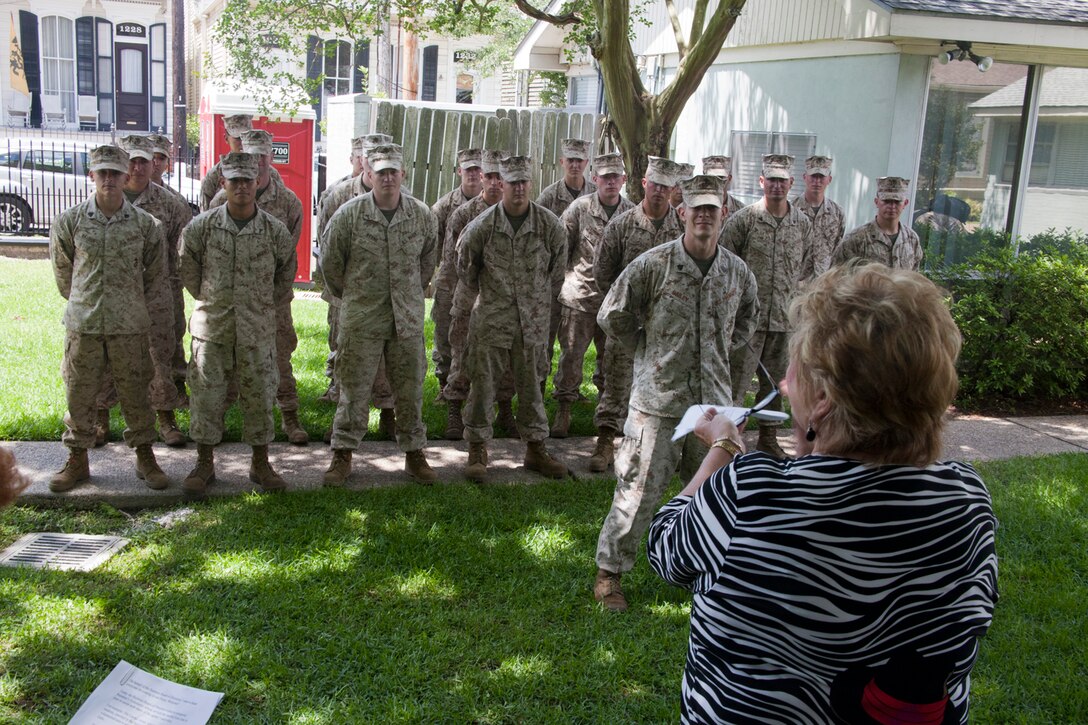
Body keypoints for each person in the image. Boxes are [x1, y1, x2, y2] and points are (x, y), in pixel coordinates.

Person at [646, 263, 997, 724]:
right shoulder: (967, 502)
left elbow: (665, 545)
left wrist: (724, 447)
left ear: (825, 399)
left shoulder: (749, 494)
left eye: (796, 371)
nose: (786, 384)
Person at [593, 175, 759, 612]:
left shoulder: (737, 272)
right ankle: (610, 575)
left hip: (712, 408)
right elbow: (613, 314)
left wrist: (717, 354)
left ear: (724, 214)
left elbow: (746, 323)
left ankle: (713, 569)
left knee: (718, 493)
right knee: (638, 491)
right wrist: (648, 351)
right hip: (659, 403)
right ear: (680, 212)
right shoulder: (654, 264)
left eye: (713, 209)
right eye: (696, 208)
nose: (704, 216)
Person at [49, 145, 172, 493]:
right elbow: (63, 272)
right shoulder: (70, 220)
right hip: (84, 323)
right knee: (79, 393)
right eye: (102, 172)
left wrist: (129, 304)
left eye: (115, 173)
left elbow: (154, 275)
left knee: (136, 392)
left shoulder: (146, 225)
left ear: (126, 176)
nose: (108, 179)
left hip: (129, 325)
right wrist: (84, 301)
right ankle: (77, 460)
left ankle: (145, 456)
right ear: (91, 176)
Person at [179, 152, 296, 496]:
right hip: (212, 329)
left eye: (248, 180)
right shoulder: (201, 227)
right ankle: (204, 464)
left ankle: (261, 463)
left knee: (260, 396)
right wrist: (212, 301)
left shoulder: (274, 231)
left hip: (257, 328)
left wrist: (257, 306)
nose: (242, 187)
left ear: (258, 183)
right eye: (235, 181)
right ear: (223, 184)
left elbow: (284, 276)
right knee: (206, 396)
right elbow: (189, 271)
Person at [322, 143, 439, 486]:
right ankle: (342, 454)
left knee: (410, 390)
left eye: (394, 171)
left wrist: (407, 296)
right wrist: (356, 297)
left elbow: (426, 265)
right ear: (368, 175)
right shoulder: (349, 215)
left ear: (403, 174)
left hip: (406, 319)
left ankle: (414, 453)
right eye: (381, 172)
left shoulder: (422, 216)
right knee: (353, 390)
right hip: (362, 318)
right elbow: (331, 266)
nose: (388, 178)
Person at [457, 155, 569, 482]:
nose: (518, 188)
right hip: (491, 320)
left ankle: (536, 449)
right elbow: (466, 270)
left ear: (530, 185)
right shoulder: (481, 227)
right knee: (483, 386)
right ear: (500, 184)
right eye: (512, 182)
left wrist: (533, 300)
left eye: (524, 182)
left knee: (533, 387)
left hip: (533, 323)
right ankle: (478, 449)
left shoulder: (550, 226)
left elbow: (557, 273)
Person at [93, 134, 193, 449]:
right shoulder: (100, 204)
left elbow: (185, 252)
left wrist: (171, 290)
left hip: (157, 296)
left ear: (154, 165)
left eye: (144, 161)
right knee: (103, 358)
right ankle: (100, 420)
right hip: (109, 296)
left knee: (159, 358)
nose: (137, 167)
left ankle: (166, 420)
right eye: (132, 161)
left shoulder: (171, 205)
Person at [209, 129, 308, 445]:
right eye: (252, 155)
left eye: (264, 155)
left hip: (272, 300)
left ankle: (289, 417)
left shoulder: (289, 202)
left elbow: (287, 256)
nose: (259, 161)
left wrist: (273, 294)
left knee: (279, 358)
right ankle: (218, 420)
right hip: (230, 300)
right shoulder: (220, 201)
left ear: (270, 157)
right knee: (227, 361)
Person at [589, 155, 685, 472]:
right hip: (628, 323)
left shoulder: (682, 228)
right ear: (644, 184)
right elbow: (603, 272)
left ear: (674, 190)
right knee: (616, 382)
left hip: (667, 325)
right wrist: (623, 310)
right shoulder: (622, 226)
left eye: (666, 186)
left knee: (663, 386)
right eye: (654, 184)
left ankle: (651, 448)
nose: (659, 191)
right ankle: (605, 442)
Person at [721, 153, 812, 459]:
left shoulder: (802, 224)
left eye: (781, 181)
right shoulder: (742, 221)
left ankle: (768, 439)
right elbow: (726, 266)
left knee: (775, 386)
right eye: (770, 180)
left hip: (784, 320)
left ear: (791, 183)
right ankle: (727, 441)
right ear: (761, 182)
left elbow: (805, 265)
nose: (776, 186)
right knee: (736, 384)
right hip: (748, 321)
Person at [315, 132, 398, 438]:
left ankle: (389, 413)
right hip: (347, 293)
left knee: (389, 357)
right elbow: (327, 248)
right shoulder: (337, 196)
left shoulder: (402, 198)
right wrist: (342, 291)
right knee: (344, 353)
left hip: (389, 295)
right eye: (368, 154)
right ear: (360, 159)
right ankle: (342, 418)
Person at [550, 151, 634, 437]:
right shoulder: (579, 208)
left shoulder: (632, 214)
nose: (611, 182)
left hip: (616, 301)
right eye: (605, 177)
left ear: (623, 179)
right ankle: (563, 409)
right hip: (581, 296)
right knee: (571, 357)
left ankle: (607, 412)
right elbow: (561, 247)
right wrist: (560, 283)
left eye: (616, 177)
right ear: (595, 178)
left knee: (611, 360)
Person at [439, 150, 518, 440]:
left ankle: (506, 410)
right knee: (462, 355)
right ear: (481, 178)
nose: (496, 182)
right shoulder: (463, 214)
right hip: (469, 297)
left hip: (505, 300)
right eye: (491, 176)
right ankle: (454, 409)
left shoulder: (516, 214)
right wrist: (451, 300)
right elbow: (451, 260)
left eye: (501, 177)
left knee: (506, 358)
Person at [537, 138, 597, 382]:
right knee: (546, 337)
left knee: (573, 342)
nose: (574, 165)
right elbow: (539, 237)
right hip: (552, 279)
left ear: (586, 163)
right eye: (570, 160)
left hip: (581, 281)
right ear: (562, 162)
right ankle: (538, 388)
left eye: (579, 160)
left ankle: (570, 387)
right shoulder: (549, 196)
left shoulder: (595, 194)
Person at [431, 148, 483, 393]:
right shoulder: (443, 207)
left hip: (477, 284)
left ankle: (472, 384)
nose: (473, 174)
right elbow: (433, 243)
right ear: (459, 171)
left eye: (477, 169)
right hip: (449, 280)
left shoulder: (490, 205)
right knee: (444, 334)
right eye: (468, 169)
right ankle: (444, 383)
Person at [834, 176, 923, 271]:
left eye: (897, 202)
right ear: (877, 202)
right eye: (886, 201)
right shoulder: (856, 239)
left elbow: (914, 276)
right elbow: (835, 276)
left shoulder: (911, 239)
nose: (892, 206)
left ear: (905, 203)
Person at [199, 114, 283, 211]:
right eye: (238, 138)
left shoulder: (270, 173)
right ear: (226, 138)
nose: (243, 142)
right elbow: (205, 215)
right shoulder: (214, 175)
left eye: (247, 137)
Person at [794, 154, 845, 281]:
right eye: (813, 177)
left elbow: (837, 251)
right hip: (796, 284)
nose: (817, 181)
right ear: (805, 177)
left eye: (821, 177)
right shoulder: (791, 210)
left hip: (824, 283)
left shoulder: (837, 213)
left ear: (829, 179)